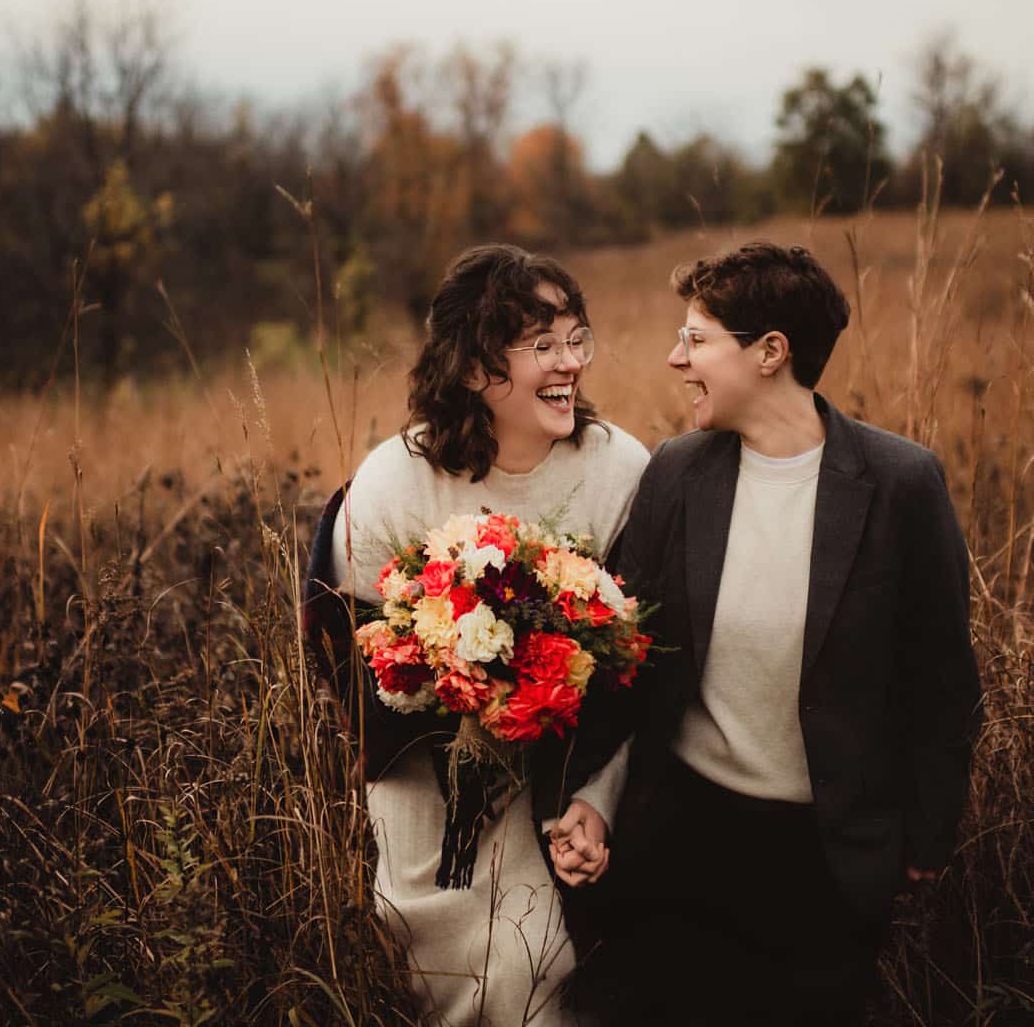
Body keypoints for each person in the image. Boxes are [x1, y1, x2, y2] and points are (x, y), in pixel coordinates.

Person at [550, 241, 982, 1025]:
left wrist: (925, 835)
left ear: (770, 353)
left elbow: (942, 679)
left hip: (823, 859)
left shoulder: (900, 485)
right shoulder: (678, 474)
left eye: (698, 340)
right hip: (680, 837)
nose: (675, 358)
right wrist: (590, 798)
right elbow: (619, 660)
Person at [303, 243, 649, 1026]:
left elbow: (644, 652)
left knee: (535, 960)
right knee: (436, 954)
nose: (569, 364)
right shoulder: (396, 479)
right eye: (541, 347)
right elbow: (342, 642)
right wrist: (452, 680)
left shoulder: (618, 469)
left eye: (576, 339)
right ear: (470, 369)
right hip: (424, 767)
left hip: (564, 765)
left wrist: (553, 702)